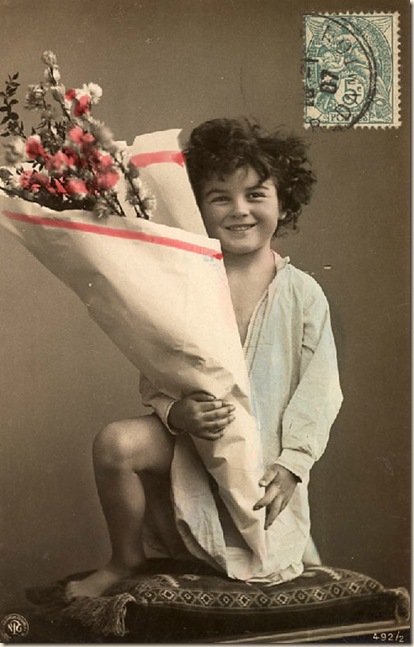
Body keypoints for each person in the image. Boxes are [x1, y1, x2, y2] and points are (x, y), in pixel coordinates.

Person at [66, 117, 342, 600]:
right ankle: (125, 559)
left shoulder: (302, 294)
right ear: (196, 206)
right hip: (193, 446)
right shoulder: (186, 284)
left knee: (262, 547)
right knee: (115, 444)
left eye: (256, 194)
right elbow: (157, 369)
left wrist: (293, 463)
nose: (240, 210)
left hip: (265, 457)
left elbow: (320, 390)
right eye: (220, 197)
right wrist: (176, 413)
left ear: (283, 199)